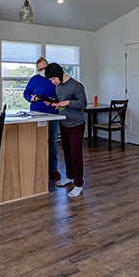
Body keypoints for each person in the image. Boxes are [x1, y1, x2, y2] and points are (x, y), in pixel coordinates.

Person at [43, 62, 87, 198]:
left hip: (77, 124)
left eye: (53, 79)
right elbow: (61, 101)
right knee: (67, 153)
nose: (53, 82)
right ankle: (69, 177)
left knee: (75, 154)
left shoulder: (76, 86)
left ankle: (78, 185)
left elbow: (83, 103)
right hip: (65, 123)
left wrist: (68, 102)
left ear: (60, 74)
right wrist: (53, 101)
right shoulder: (59, 87)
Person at [24, 57, 61, 179]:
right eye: (40, 69)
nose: (42, 71)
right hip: (36, 113)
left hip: (53, 113)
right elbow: (26, 93)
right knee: (37, 141)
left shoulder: (56, 79)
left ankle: (53, 169)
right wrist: (31, 99)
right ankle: (37, 167)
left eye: (44, 68)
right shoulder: (34, 79)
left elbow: (63, 95)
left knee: (52, 141)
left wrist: (54, 101)